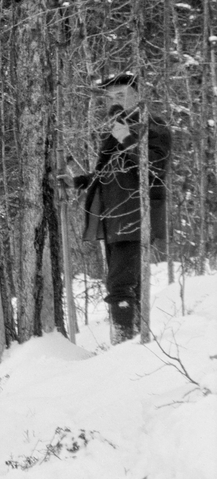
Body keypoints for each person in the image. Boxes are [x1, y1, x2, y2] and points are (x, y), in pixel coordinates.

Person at [66, 74, 172, 344]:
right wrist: (83, 181)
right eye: (110, 98)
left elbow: (153, 168)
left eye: (121, 96)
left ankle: (124, 345)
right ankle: (133, 342)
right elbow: (109, 171)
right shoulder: (117, 129)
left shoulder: (154, 125)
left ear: (136, 96)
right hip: (113, 216)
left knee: (119, 284)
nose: (114, 103)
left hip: (138, 215)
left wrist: (123, 133)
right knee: (123, 283)